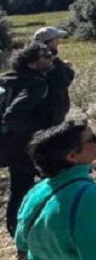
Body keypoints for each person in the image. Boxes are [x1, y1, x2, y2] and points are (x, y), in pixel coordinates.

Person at [15, 121, 96, 259]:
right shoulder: (90, 196)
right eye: (92, 139)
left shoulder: (35, 192)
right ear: (72, 156)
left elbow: (21, 244)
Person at [0, 42, 54, 237]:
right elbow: (13, 115)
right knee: (54, 177)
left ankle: (16, 230)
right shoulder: (36, 83)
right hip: (19, 144)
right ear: (32, 62)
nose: (50, 57)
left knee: (19, 187)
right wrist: (39, 135)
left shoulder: (9, 78)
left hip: (6, 144)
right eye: (45, 56)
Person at [33, 27, 75, 125]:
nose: (59, 42)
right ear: (51, 42)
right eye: (57, 39)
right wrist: (67, 69)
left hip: (38, 113)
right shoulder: (51, 61)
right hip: (52, 113)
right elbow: (64, 81)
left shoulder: (32, 59)